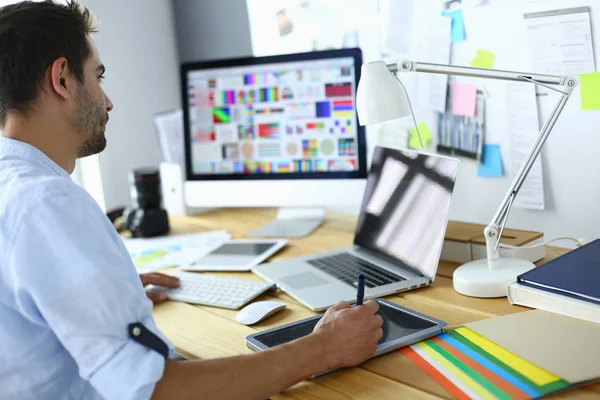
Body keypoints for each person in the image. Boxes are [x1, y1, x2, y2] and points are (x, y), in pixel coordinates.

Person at [0, 1, 384, 399]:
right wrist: (325, 347)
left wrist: (106, 296)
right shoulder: (47, 202)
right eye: (97, 76)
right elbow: (155, 391)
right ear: (62, 78)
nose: (108, 101)